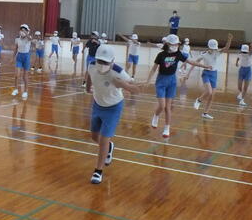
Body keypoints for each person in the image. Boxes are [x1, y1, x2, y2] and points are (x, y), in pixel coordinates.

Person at [85, 45, 140, 184]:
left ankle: (98, 171)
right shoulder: (92, 65)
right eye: (100, 61)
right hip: (97, 104)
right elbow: (89, 74)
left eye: (106, 62)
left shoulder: (119, 72)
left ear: (112, 61)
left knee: (104, 140)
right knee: (94, 136)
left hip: (113, 107)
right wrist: (87, 87)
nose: (102, 64)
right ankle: (109, 147)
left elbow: (136, 89)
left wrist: (123, 85)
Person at [147, 34, 210, 137]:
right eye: (173, 44)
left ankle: (167, 128)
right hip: (161, 81)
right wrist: (148, 81)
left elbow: (190, 61)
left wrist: (204, 66)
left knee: (168, 107)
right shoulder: (161, 55)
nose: (175, 46)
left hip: (172, 81)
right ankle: (156, 115)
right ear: (168, 44)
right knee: (162, 105)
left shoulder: (178, 54)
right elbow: (154, 69)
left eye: (177, 44)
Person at [194, 33, 233, 119]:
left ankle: (205, 113)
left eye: (214, 48)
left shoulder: (217, 52)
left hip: (214, 74)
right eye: (212, 48)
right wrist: (188, 73)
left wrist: (229, 39)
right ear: (208, 47)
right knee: (209, 91)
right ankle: (199, 100)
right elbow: (195, 62)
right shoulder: (204, 54)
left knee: (212, 96)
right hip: (206, 73)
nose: (213, 50)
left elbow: (226, 48)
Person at [12, 24, 32, 99]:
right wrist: (12, 57)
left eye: (24, 30)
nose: (22, 31)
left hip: (26, 57)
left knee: (24, 76)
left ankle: (25, 91)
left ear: (27, 31)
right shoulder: (17, 39)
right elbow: (16, 48)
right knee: (17, 75)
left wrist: (26, 32)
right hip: (19, 57)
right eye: (21, 30)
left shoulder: (28, 38)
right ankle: (16, 89)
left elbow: (30, 38)